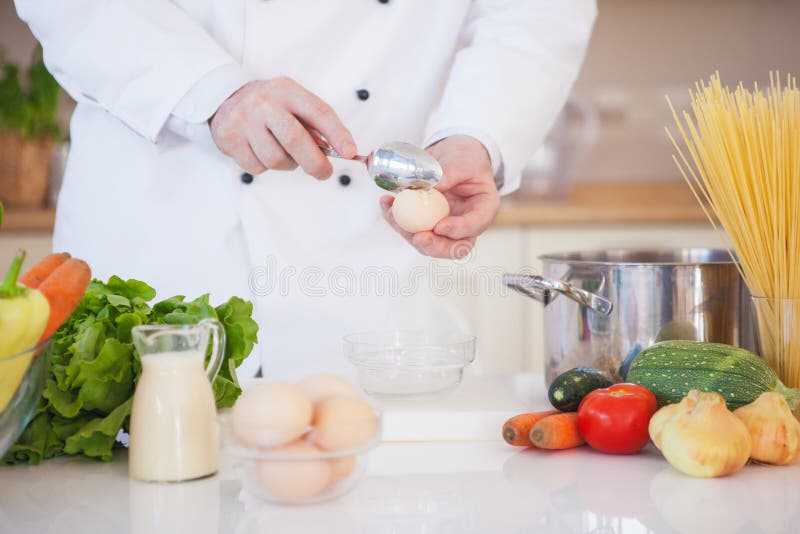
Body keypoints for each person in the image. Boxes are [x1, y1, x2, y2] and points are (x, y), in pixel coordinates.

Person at [14, 0, 596, 379]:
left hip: (366, 281)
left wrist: (476, 134)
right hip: (161, 241)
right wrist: (209, 92)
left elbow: (537, 14)